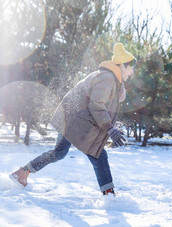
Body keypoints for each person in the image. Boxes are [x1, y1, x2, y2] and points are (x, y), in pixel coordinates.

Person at [11, 43, 136, 196]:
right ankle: (109, 195)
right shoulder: (107, 77)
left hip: (77, 118)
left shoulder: (111, 78)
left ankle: (22, 173)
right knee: (97, 154)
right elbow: (97, 104)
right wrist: (109, 128)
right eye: (131, 67)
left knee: (60, 153)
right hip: (73, 118)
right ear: (122, 66)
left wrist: (113, 124)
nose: (133, 71)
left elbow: (106, 103)